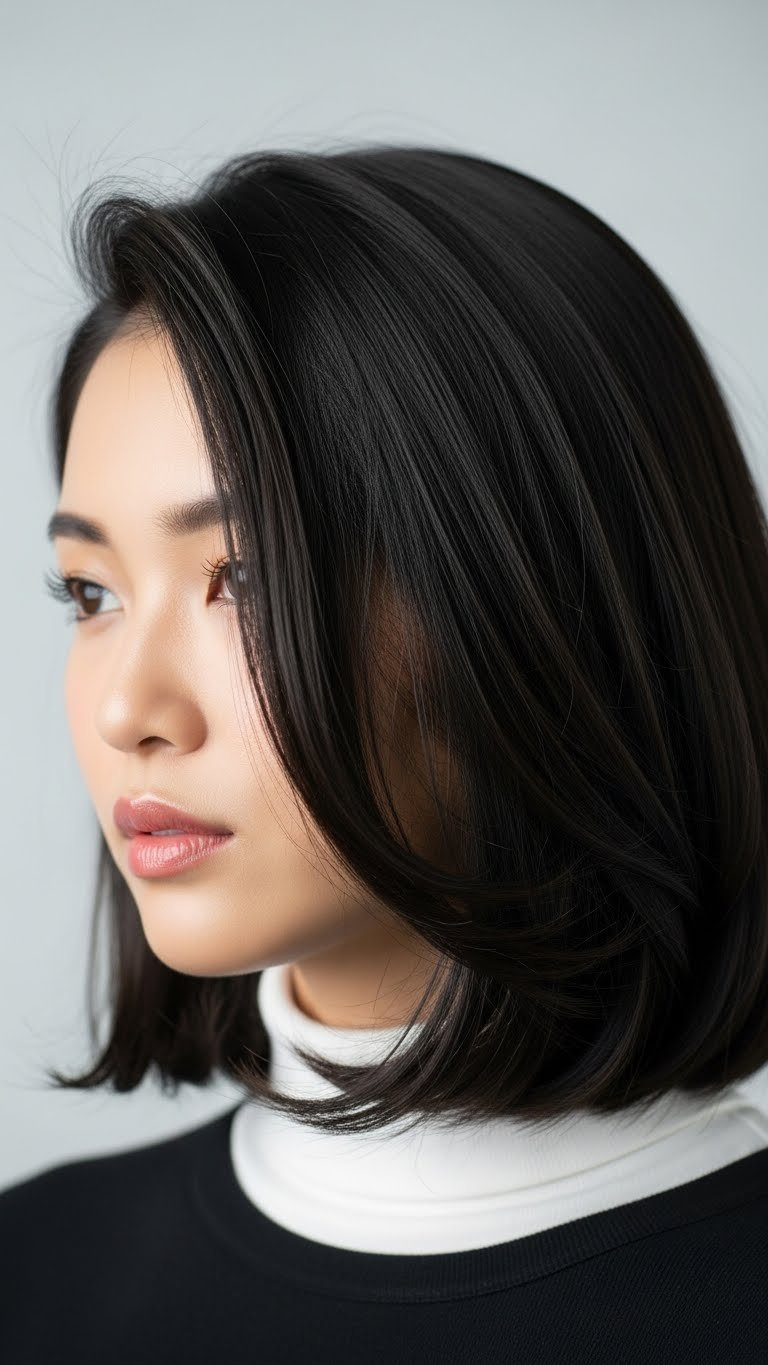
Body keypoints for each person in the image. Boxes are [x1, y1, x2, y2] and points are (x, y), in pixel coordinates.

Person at [1, 144, 767, 1363]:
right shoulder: (34, 1275)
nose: (124, 710)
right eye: (89, 593)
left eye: (241, 579)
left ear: (541, 601)